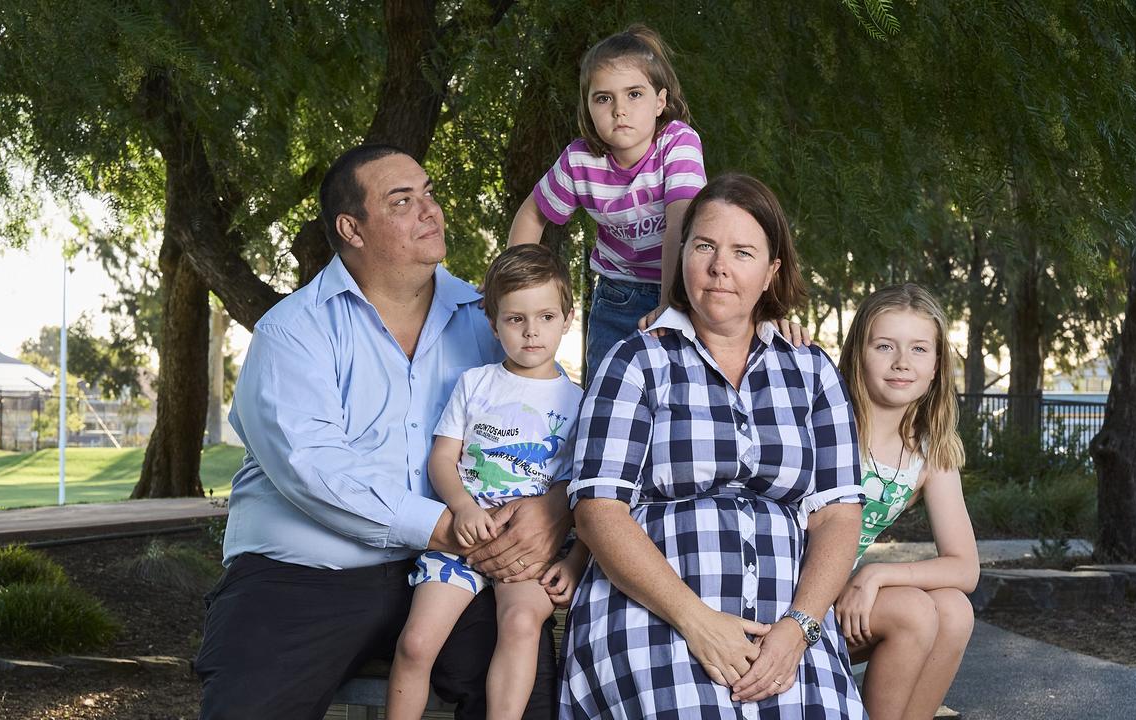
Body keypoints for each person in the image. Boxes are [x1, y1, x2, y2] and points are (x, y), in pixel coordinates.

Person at [194, 144, 571, 720]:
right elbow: (312, 470)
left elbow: (554, 428)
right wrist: (448, 528)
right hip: (304, 574)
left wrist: (555, 509)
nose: (431, 211)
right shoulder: (293, 332)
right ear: (352, 228)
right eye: (403, 201)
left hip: (457, 568)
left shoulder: (489, 319)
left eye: (429, 193)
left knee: (530, 694)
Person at [560, 173, 867, 719]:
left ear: (772, 271)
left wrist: (798, 631)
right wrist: (697, 622)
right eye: (704, 246)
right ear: (681, 257)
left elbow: (838, 516)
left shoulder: (812, 370)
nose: (719, 266)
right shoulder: (637, 361)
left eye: (743, 252)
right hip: (655, 614)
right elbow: (597, 510)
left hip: (785, 624)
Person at [387, 244, 589, 720]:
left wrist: (578, 558)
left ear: (567, 317)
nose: (531, 331)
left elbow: (589, 492)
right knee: (416, 644)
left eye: (545, 316)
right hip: (463, 537)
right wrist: (461, 506)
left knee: (520, 623)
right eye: (515, 319)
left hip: (529, 552)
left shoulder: (582, 401)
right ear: (492, 321)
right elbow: (442, 458)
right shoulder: (475, 384)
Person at [507, 25, 706, 373]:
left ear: (660, 101)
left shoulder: (678, 143)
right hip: (616, 293)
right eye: (603, 98)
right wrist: (511, 285)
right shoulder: (579, 161)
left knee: (675, 394)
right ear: (587, 106)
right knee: (606, 392)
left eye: (634, 94)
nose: (619, 110)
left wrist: (671, 303)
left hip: (678, 287)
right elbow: (532, 216)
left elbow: (681, 222)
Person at [834, 284, 979, 720]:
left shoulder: (928, 452)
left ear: (937, 366)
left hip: (842, 599)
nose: (902, 363)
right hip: (785, 595)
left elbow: (965, 567)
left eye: (919, 349)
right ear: (859, 352)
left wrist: (877, 572)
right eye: (885, 346)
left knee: (954, 610)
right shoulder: (827, 418)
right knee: (915, 612)